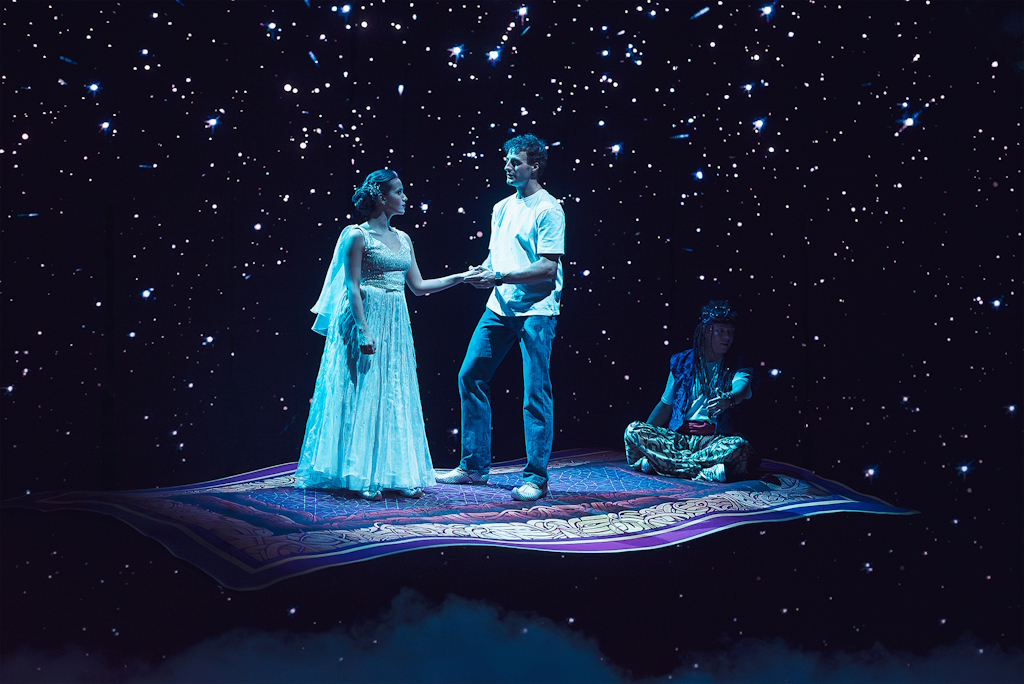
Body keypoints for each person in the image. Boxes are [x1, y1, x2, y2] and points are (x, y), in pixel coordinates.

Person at [294, 169, 467, 500]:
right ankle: (360, 473)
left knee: (393, 390)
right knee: (362, 390)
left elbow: (418, 286)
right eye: (398, 191)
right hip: (365, 316)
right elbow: (351, 286)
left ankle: (395, 472)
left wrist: (460, 278)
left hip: (396, 321)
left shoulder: (404, 239)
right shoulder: (357, 235)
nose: (405, 197)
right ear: (380, 196)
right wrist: (363, 330)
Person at [436, 134, 564, 501]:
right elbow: (497, 257)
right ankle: (474, 466)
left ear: (534, 167)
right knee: (471, 375)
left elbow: (547, 268)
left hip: (536, 312)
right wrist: (483, 271)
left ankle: (536, 478)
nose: (507, 166)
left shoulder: (549, 209)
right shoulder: (502, 207)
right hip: (500, 307)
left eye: (515, 161)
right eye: (507, 160)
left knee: (535, 392)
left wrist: (499, 276)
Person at [623, 300, 759, 483]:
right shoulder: (681, 362)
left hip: (712, 441)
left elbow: (741, 388)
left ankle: (662, 464)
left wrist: (728, 399)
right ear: (706, 331)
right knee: (633, 431)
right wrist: (647, 437)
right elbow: (665, 405)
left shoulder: (737, 362)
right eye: (720, 331)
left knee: (739, 446)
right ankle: (704, 472)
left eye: (731, 332)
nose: (727, 337)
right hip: (679, 439)